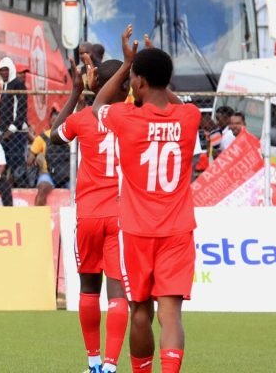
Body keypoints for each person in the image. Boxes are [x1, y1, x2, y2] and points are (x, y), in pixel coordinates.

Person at [91, 26, 198, 373]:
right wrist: (158, 75)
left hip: (136, 232)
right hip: (178, 231)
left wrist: (126, 64)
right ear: (167, 82)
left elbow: (97, 105)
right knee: (171, 316)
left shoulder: (126, 118)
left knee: (139, 310)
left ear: (137, 83)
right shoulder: (190, 117)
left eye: (134, 78)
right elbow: (176, 101)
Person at [47, 57, 128, 373]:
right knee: (118, 291)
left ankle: (93, 363)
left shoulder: (82, 118)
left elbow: (54, 136)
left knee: (89, 289)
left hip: (89, 215)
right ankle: (109, 366)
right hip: (121, 214)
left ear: (96, 84)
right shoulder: (132, 115)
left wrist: (75, 92)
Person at [0, 57, 30, 186]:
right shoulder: (5, 86)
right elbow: (4, 111)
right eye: (1, 70)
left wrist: (11, 130)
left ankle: (22, 187)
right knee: (5, 160)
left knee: (17, 161)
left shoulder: (18, 85)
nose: (4, 73)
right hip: (6, 131)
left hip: (17, 131)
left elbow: (21, 110)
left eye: (6, 70)